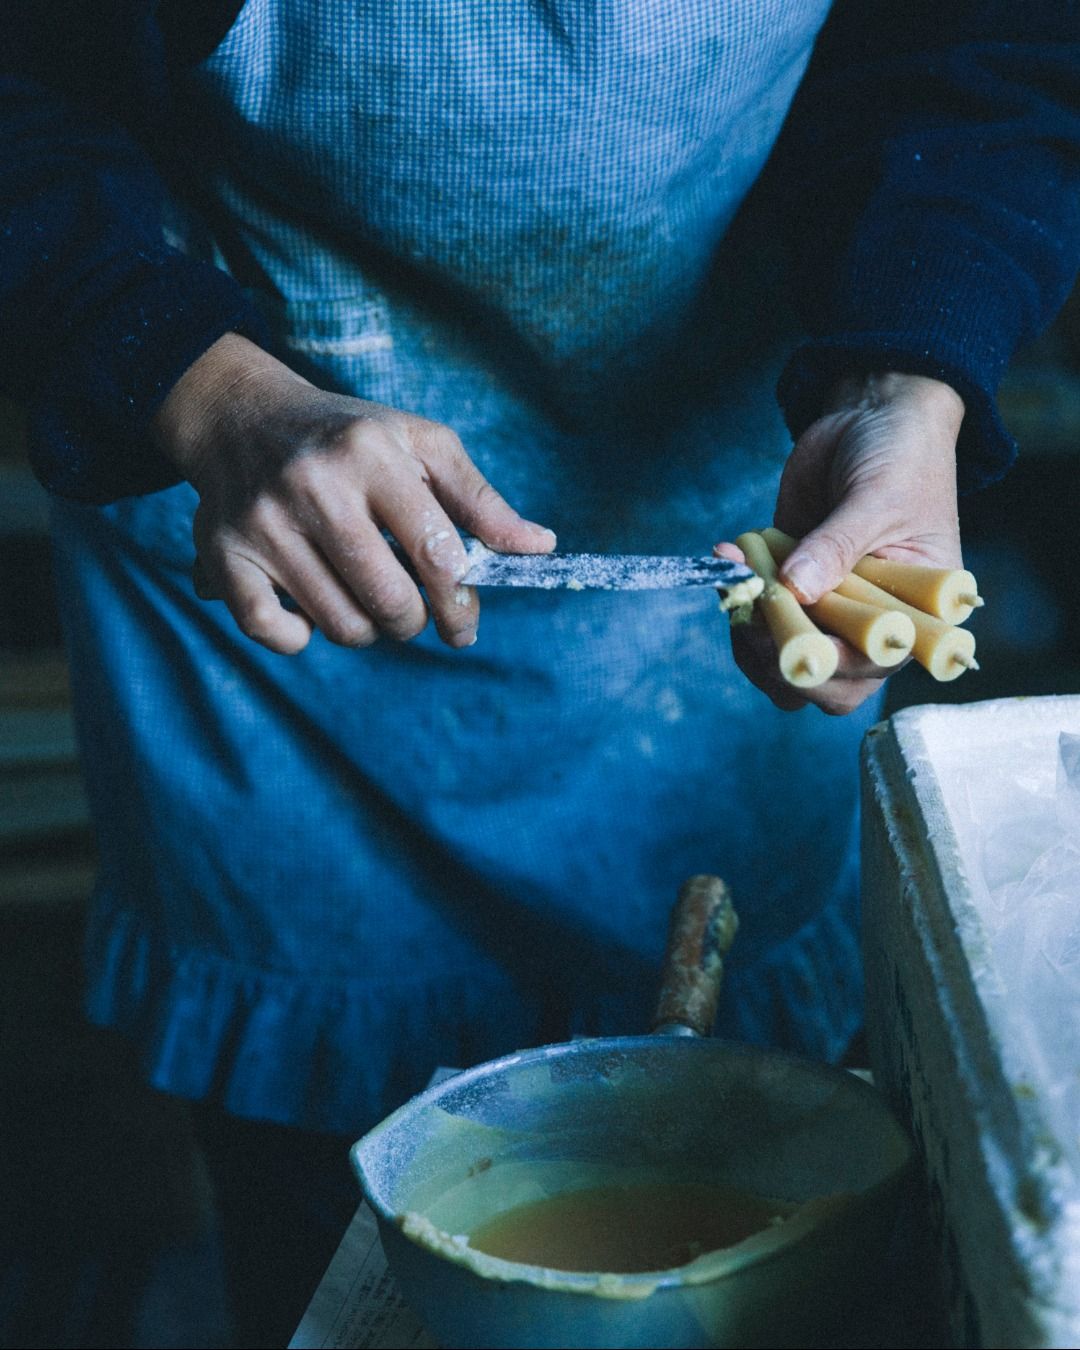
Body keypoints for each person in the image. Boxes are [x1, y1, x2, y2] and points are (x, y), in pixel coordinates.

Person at [4, 1, 1079, 1343]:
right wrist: (194, 381)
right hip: (274, 622)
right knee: (340, 1264)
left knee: (769, 1231)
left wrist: (905, 384)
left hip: (728, 599)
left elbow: (986, 48)